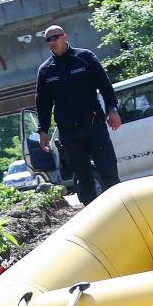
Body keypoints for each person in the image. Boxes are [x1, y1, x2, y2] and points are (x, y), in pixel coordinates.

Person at [34, 25, 122, 205]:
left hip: (94, 127)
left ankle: (122, 210)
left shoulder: (84, 58)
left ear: (64, 36)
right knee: (84, 179)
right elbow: (42, 103)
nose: (52, 42)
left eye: (55, 37)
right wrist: (42, 130)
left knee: (109, 172)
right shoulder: (46, 70)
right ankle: (93, 220)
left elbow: (105, 86)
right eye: (48, 40)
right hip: (69, 133)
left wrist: (112, 110)